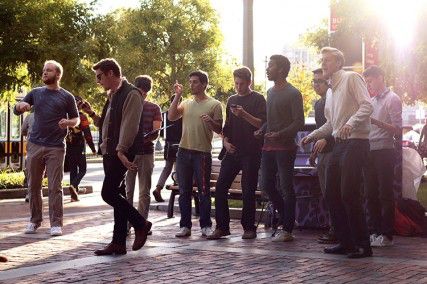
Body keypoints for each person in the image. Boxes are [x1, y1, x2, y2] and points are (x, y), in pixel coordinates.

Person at [301, 47, 373, 258]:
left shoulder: (352, 78)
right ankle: (345, 242)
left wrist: (351, 123)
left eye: (328, 60)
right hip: (340, 144)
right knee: (331, 193)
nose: (323, 64)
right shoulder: (330, 91)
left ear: (339, 63)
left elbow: (367, 105)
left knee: (349, 193)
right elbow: (332, 124)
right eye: (322, 60)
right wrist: (312, 135)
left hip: (357, 142)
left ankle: (363, 245)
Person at [91, 58, 151, 256]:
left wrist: (121, 150)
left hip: (121, 151)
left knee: (107, 193)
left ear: (110, 73)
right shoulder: (112, 95)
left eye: (100, 77)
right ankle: (118, 242)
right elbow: (107, 123)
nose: (98, 81)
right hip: (110, 151)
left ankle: (141, 223)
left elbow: (130, 125)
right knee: (117, 194)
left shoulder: (131, 93)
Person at [14, 60, 80, 237]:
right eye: (44, 70)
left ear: (58, 75)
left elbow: (76, 119)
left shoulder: (67, 96)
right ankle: (34, 221)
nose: (44, 73)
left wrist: (68, 122)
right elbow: (17, 108)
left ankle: (56, 224)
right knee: (33, 185)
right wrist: (21, 106)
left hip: (56, 147)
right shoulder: (35, 93)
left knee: (55, 187)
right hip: (35, 144)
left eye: (48, 71)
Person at [206, 67, 266, 240]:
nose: (238, 87)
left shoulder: (258, 99)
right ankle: (222, 227)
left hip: (251, 152)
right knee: (220, 187)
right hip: (233, 151)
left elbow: (262, 124)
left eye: (242, 84)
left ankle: (249, 227)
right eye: (236, 83)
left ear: (249, 82)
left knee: (248, 189)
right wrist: (225, 141)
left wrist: (244, 114)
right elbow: (227, 127)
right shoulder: (231, 99)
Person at [255, 55, 304, 242]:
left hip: (285, 148)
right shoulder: (270, 92)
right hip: (268, 147)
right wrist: (262, 129)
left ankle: (288, 229)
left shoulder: (293, 93)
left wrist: (280, 134)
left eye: (271, 66)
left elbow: (298, 121)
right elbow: (270, 120)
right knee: (266, 185)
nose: (267, 69)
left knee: (286, 188)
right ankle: (286, 217)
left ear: (281, 69)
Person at [168, 70, 223, 238]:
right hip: (184, 152)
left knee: (204, 191)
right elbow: (171, 117)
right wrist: (177, 95)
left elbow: (219, 129)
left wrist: (211, 122)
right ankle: (185, 226)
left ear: (204, 84)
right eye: (190, 82)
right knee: (184, 191)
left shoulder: (214, 104)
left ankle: (206, 225)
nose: (191, 85)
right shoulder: (186, 103)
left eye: (195, 82)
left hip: (202, 154)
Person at [362, 65, 402, 247]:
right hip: (369, 150)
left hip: (385, 150)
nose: (368, 85)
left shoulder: (393, 99)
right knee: (370, 193)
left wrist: (375, 121)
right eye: (367, 82)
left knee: (385, 193)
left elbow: (397, 130)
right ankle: (375, 231)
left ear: (380, 77)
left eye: (370, 81)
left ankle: (387, 235)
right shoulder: (370, 101)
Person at [126, 75, 162, 230]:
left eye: (143, 93)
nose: (141, 95)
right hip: (129, 154)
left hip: (146, 152)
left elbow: (156, 132)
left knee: (144, 191)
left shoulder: (154, 108)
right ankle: (126, 224)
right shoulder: (127, 106)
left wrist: (144, 139)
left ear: (147, 92)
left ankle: (141, 224)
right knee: (128, 191)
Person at [309, 68, 337, 244]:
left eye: (319, 81)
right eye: (314, 81)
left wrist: (326, 140)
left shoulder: (335, 100)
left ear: (328, 84)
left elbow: (337, 125)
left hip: (336, 152)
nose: (315, 84)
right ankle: (334, 228)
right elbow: (321, 130)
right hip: (323, 154)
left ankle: (338, 229)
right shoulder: (318, 104)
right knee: (327, 193)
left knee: (334, 193)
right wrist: (314, 152)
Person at [65, 96, 97, 202]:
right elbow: (87, 134)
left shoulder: (66, 116)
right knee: (83, 169)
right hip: (79, 146)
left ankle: (74, 195)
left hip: (68, 145)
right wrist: (93, 148)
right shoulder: (81, 117)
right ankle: (74, 186)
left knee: (73, 169)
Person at [153, 95, 183, 202]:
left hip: (169, 144)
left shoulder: (165, 115)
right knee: (180, 168)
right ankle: (180, 192)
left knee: (167, 168)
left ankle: (158, 188)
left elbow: (160, 132)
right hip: (181, 143)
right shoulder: (183, 115)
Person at [21, 111, 35, 203]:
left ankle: (29, 194)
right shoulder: (52, 114)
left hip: (32, 148)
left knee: (30, 172)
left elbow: (23, 131)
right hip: (51, 149)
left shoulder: (29, 117)